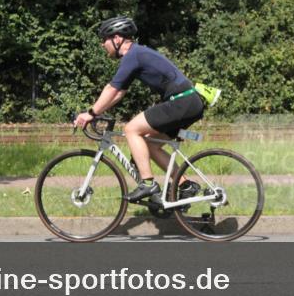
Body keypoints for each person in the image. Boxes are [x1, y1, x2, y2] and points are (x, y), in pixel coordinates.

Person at [73, 16, 205, 202]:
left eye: (104, 40)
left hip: (181, 101)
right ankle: (185, 185)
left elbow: (111, 89)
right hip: (187, 102)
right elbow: (118, 94)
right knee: (150, 145)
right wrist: (97, 113)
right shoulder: (137, 54)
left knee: (131, 129)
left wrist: (90, 113)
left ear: (117, 39)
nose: (103, 44)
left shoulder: (133, 55)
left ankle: (148, 184)